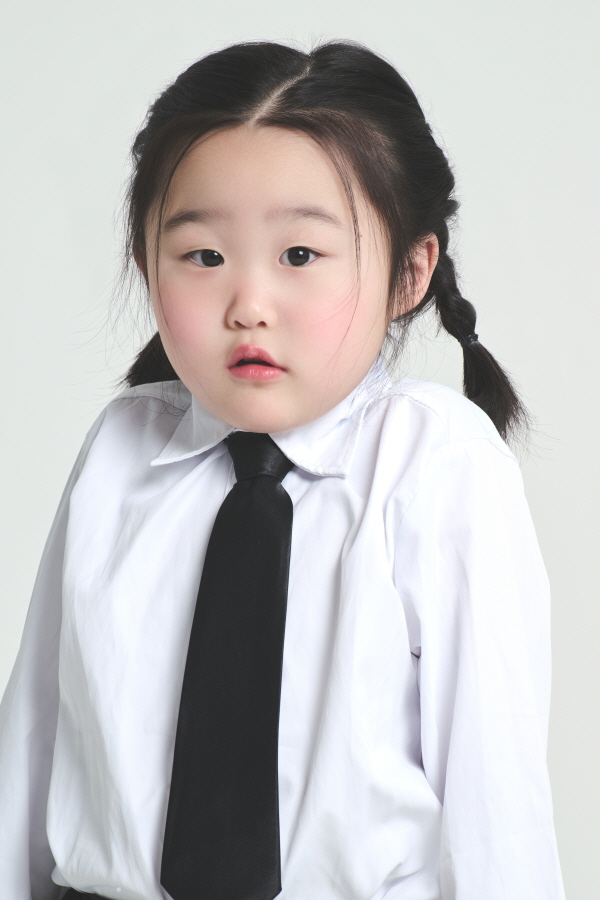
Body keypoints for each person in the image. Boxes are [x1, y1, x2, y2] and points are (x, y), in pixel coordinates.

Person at [0, 39, 565, 900]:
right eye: (204, 257)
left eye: (300, 256)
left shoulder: (437, 465)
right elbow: (34, 738)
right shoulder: (119, 448)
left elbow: (498, 804)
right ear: (147, 263)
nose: (248, 305)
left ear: (410, 271)